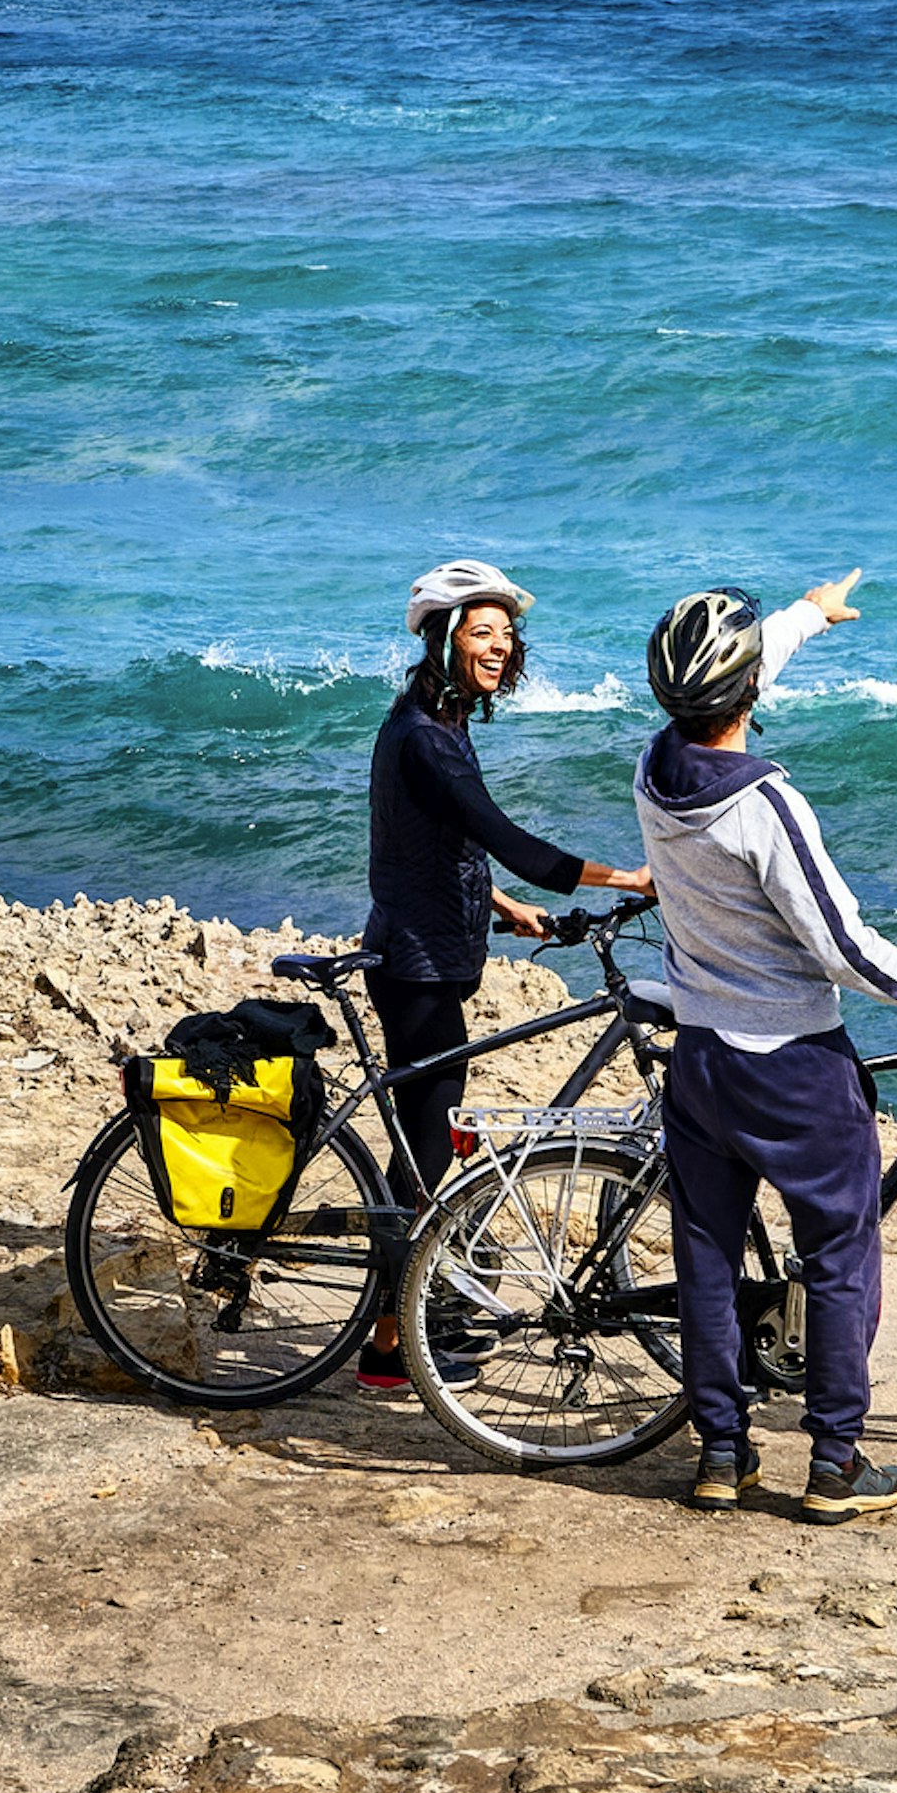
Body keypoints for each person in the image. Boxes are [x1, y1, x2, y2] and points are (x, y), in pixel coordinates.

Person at [633, 570, 897, 1520]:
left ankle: (721, 1453)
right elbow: (843, 949)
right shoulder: (767, 805)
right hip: (790, 1064)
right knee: (838, 1250)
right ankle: (835, 1460)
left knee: (706, 1254)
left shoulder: (653, 769)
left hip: (700, 1055)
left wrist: (804, 618)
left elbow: (731, 686)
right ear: (747, 694)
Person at [363, 560, 653, 1386]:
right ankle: (387, 1346)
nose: (499, 645)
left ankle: (400, 1324)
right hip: (418, 967)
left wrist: (501, 908)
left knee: (423, 1150)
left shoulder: (433, 723)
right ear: (446, 639)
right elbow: (501, 833)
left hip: (432, 949)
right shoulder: (426, 737)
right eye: (481, 632)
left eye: (505, 633)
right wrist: (626, 877)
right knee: (423, 1155)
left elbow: (427, 844)